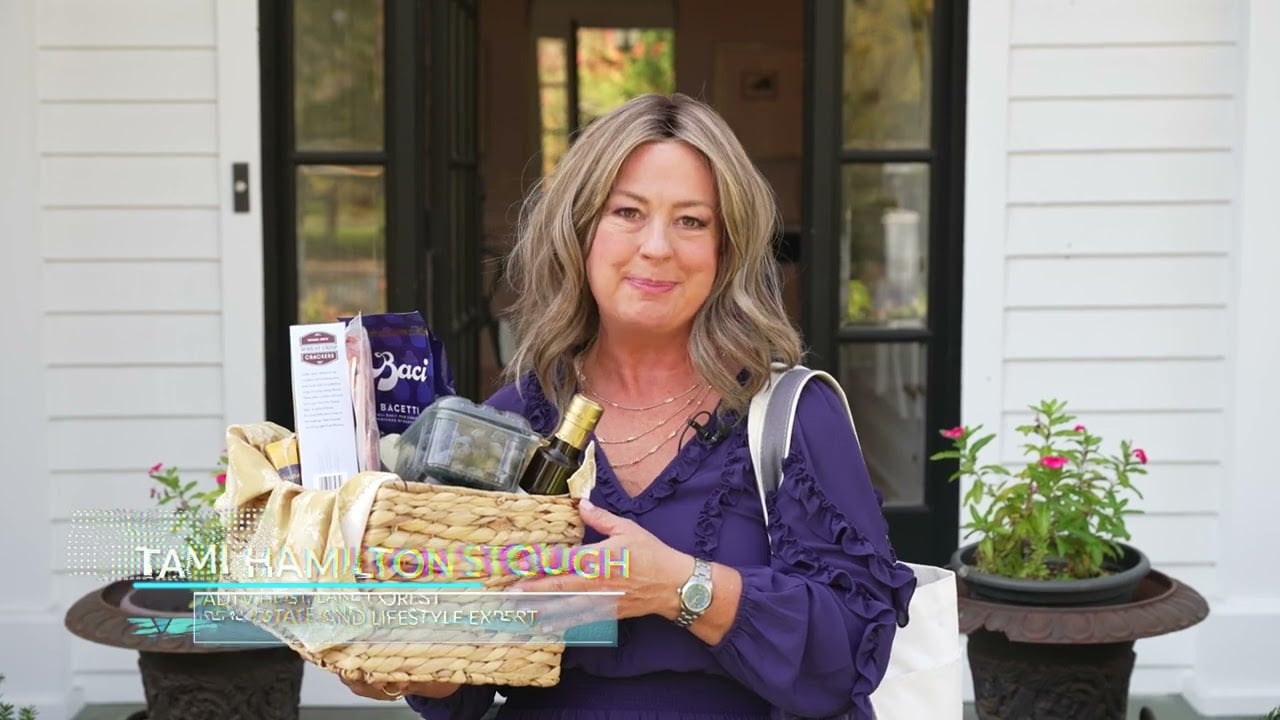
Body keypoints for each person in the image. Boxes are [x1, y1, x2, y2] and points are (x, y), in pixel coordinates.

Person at [340, 93, 917, 719]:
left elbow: (848, 650)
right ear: (580, 232)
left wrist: (676, 586)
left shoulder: (790, 417)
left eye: (691, 221)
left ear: (726, 249)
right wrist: (398, 663)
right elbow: (468, 678)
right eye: (628, 212)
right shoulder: (513, 424)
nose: (657, 246)